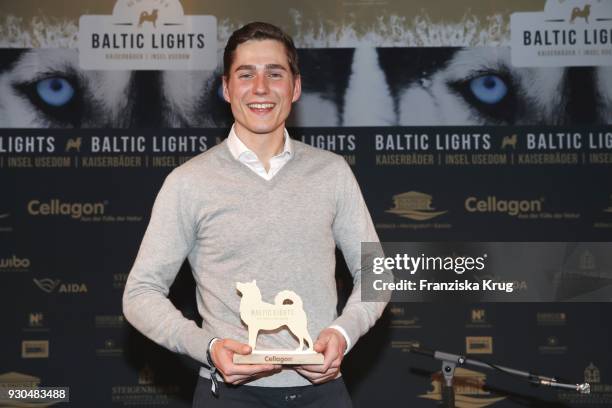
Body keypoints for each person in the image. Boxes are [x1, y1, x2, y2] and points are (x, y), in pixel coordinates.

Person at [123, 21, 388, 408]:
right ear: (227, 88)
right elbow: (140, 294)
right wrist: (208, 347)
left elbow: (376, 273)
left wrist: (344, 334)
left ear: (294, 88)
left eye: (274, 74)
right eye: (246, 74)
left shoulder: (332, 173)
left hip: (323, 395)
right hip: (227, 397)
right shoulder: (188, 182)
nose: (260, 88)